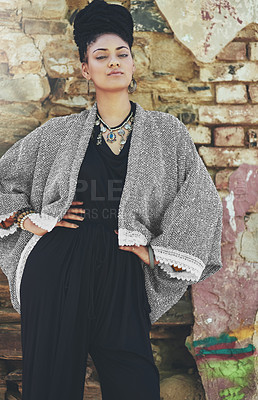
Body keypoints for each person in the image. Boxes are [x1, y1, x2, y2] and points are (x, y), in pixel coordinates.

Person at [0, 0, 223, 399]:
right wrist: (24, 216)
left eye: (122, 54)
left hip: (123, 270)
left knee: (135, 383)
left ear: (134, 62)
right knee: (51, 385)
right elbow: (4, 178)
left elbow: (200, 197)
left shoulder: (165, 132)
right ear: (86, 69)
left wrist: (157, 253)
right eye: (100, 55)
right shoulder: (59, 133)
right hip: (58, 267)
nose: (114, 62)